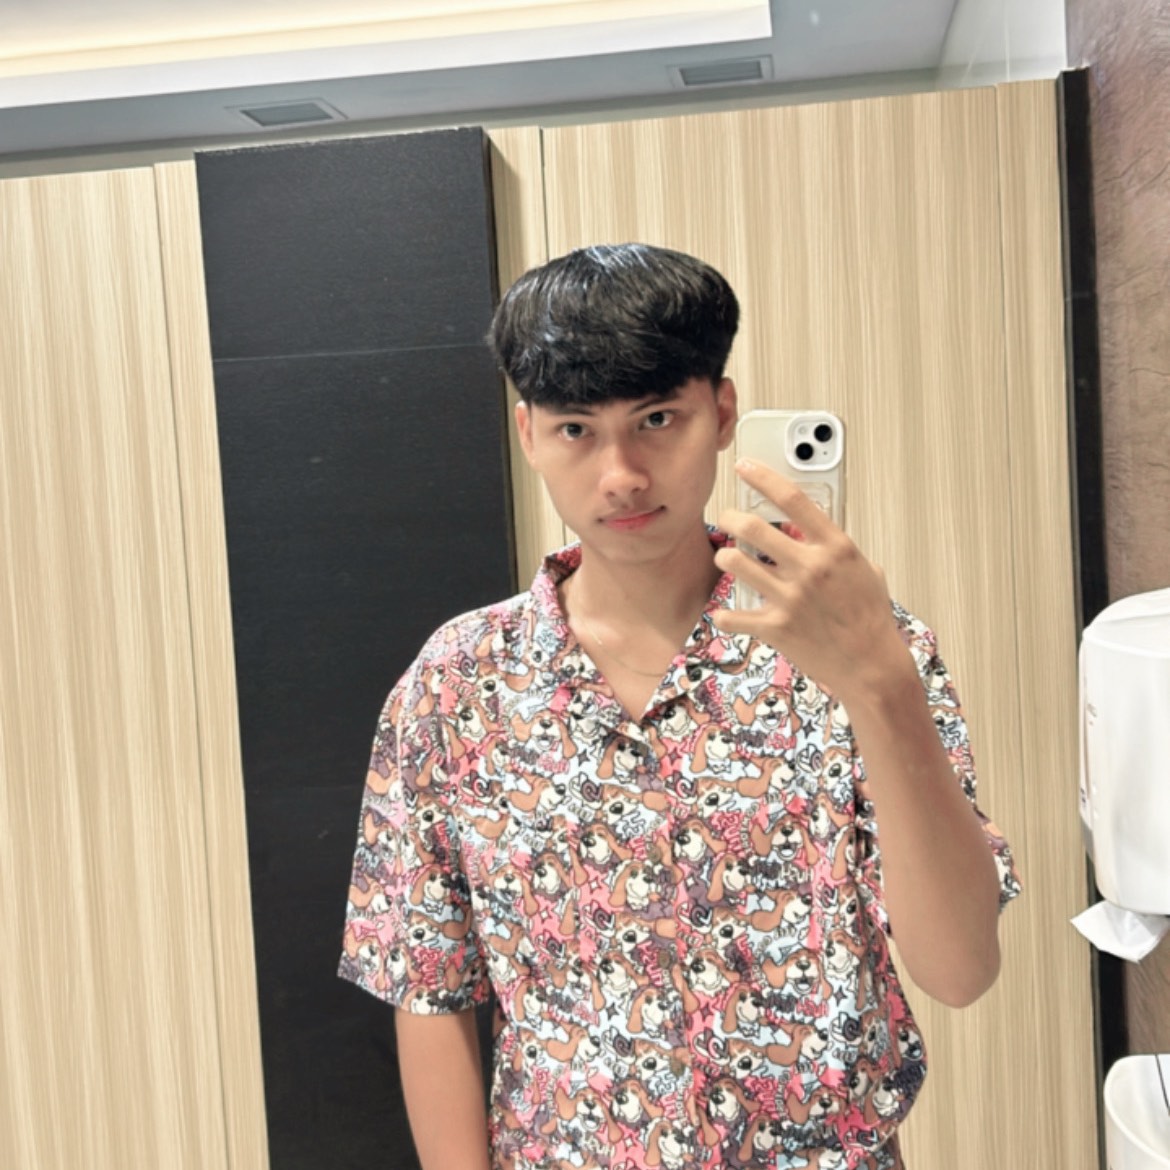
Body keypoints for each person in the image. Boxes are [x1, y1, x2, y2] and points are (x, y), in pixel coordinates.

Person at [338, 243, 1020, 1170]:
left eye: (657, 419)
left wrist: (882, 687)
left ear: (722, 413)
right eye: (577, 429)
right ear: (528, 433)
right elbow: (429, 984)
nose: (621, 473)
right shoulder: (456, 684)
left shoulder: (857, 648)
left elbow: (960, 972)